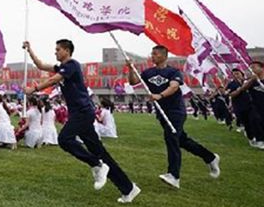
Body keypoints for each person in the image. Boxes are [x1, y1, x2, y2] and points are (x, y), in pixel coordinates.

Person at [24, 39, 140, 203]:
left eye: (58, 49)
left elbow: (52, 80)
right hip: (80, 113)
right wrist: (30, 50)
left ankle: (97, 165)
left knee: (64, 139)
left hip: (83, 112)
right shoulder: (62, 67)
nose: (55, 52)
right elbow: (41, 65)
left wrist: (33, 89)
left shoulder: (71, 65)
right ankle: (128, 188)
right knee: (101, 153)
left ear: (66, 50)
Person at [129, 45, 220, 189]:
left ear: (164, 56)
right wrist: (130, 69)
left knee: (171, 138)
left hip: (176, 111)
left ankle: (174, 175)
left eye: (156, 54)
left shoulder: (173, 71)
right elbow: (134, 82)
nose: (153, 56)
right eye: (152, 53)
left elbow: (174, 87)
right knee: (181, 140)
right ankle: (210, 157)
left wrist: (160, 95)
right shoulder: (148, 72)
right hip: (162, 112)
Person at [226, 68, 264, 149]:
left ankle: (260, 140)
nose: (236, 75)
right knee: (247, 124)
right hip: (240, 107)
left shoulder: (249, 81)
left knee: (256, 120)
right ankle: (251, 138)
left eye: (237, 73)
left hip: (251, 106)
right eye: (234, 74)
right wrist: (239, 90)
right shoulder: (231, 84)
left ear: (242, 73)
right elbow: (231, 95)